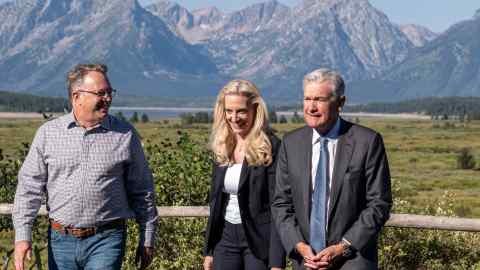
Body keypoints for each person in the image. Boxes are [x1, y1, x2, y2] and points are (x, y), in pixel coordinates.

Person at [12, 64, 158, 270]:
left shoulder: (125, 134)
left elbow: (142, 189)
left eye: (110, 92)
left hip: (107, 239)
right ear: (76, 96)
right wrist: (22, 236)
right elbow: (29, 188)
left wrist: (148, 236)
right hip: (60, 241)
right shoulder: (48, 134)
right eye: (101, 93)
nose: (108, 98)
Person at [272, 68, 392, 270]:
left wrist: (343, 247)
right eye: (307, 99)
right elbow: (281, 203)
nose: (311, 107)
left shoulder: (367, 142)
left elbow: (379, 203)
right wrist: (299, 246)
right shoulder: (291, 143)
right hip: (306, 261)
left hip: (353, 259)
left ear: (340, 103)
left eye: (319, 99)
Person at [203, 80, 286, 270]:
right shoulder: (222, 145)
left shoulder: (271, 147)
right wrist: (209, 250)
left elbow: (278, 206)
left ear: (255, 110)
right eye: (229, 111)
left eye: (241, 111)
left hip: (258, 240)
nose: (234, 117)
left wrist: (276, 261)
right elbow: (216, 202)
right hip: (224, 238)